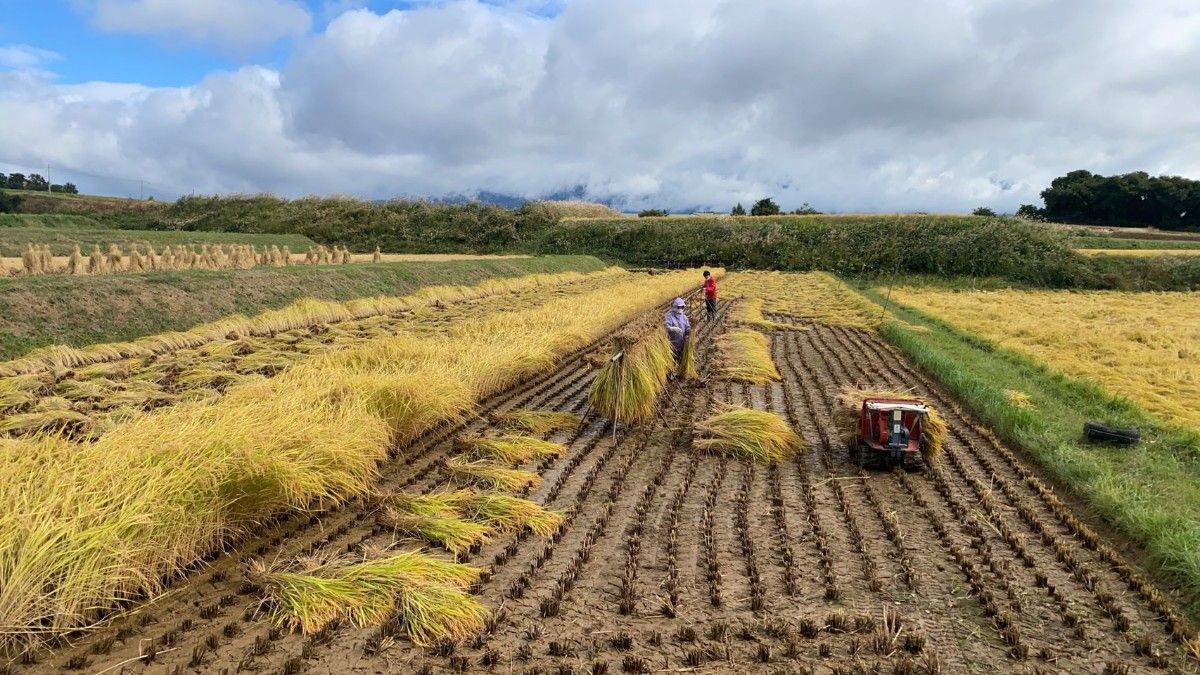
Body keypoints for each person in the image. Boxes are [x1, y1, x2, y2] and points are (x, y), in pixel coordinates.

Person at [664, 297, 691, 363]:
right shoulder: (670, 316)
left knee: (681, 360)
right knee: (672, 361)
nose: (680, 309)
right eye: (679, 307)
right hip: (672, 344)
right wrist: (672, 329)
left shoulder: (684, 317)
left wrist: (688, 331)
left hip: (682, 343)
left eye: (682, 307)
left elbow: (687, 326)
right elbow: (666, 327)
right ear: (675, 307)